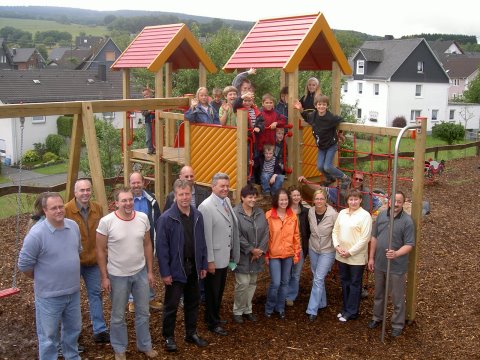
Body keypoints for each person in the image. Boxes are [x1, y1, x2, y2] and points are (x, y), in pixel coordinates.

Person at [18, 192, 82, 360]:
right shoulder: (36, 234)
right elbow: (24, 265)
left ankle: (72, 357)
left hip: (73, 292)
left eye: (61, 206)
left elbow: (77, 251)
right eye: (54, 208)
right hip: (49, 296)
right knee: (48, 338)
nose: (59, 210)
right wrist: (42, 277)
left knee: (73, 331)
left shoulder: (73, 226)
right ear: (45, 210)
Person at [96, 187, 158, 360]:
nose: (128, 203)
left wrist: (150, 271)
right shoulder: (106, 222)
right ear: (116, 203)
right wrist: (104, 277)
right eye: (123, 200)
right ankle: (119, 348)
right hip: (117, 275)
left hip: (140, 273)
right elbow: (100, 250)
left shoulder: (142, 218)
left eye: (130, 199)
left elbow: (147, 244)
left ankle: (144, 345)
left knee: (143, 312)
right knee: (117, 315)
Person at [156, 179, 209, 352]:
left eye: (187, 194)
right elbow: (162, 249)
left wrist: (203, 264)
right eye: (181, 194)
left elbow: (202, 242)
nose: (184, 197)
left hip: (193, 266)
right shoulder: (166, 218)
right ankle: (168, 337)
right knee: (171, 305)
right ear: (175, 195)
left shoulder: (197, 215)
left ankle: (191, 333)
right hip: (176, 268)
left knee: (193, 302)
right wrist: (165, 272)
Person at [64, 179, 109, 343]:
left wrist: (104, 254)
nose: (85, 193)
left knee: (95, 294)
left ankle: (100, 329)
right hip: (74, 262)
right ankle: (73, 334)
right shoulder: (66, 210)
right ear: (75, 192)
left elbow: (103, 233)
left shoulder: (97, 208)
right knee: (72, 299)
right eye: (81, 190)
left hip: (93, 260)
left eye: (88, 190)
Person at [367, 191, 415, 337]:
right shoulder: (382, 216)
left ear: (403, 203)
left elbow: (409, 244)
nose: (395, 204)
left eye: (399, 201)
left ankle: (397, 324)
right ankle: (377, 317)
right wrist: (371, 257)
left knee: (397, 296)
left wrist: (396, 253)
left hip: (396, 266)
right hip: (380, 262)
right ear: (389, 201)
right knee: (379, 294)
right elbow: (374, 238)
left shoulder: (407, 221)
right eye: (393, 200)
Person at [198, 172, 240, 336]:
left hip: (224, 254)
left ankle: (213, 316)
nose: (225, 189)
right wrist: (209, 261)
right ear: (213, 186)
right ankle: (212, 322)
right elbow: (206, 236)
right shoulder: (206, 206)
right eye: (222, 186)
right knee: (212, 291)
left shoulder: (227, 201)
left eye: (227, 186)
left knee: (219, 289)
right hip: (214, 258)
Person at [332, 189, 372, 322]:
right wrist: (337, 246)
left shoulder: (365, 216)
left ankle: (352, 311)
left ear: (360, 200)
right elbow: (335, 231)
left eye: (356, 199)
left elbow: (364, 238)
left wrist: (350, 252)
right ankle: (345, 308)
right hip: (341, 255)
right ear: (347, 200)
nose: (353, 202)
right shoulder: (342, 213)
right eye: (351, 199)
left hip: (356, 257)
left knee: (355, 284)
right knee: (345, 282)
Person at [232, 184, 269, 324]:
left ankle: (248, 310)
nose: (253, 199)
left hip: (257, 256)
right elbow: (237, 235)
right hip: (242, 255)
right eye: (250, 197)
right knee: (243, 283)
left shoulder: (259, 212)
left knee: (252, 283)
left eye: (254, 197)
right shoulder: (236, 213)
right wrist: (251, 249)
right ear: (242, 197)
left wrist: (259, 250)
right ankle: (237, 310)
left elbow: (266, 232)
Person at [294, 94, 349, 186]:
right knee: (320, 167)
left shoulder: (330, 117)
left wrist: (340, 133)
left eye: (324, 104)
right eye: (319, 104)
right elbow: (306, 116)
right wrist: (300, 109)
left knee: (327, 166)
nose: (321, 106)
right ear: (315, 106)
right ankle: (330, 178)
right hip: (321, 146)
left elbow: (341, 120)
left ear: (327, 106)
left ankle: (345, 178)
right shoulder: (313, 116)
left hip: (331, 145)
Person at [128, 172, 162, 313]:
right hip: (130, 242)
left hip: (148, 241)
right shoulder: (126, 200)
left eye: (138, 182)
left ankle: (150, 297)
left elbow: (158, 220)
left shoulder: (151, 200)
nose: (136, 185)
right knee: (131, 271)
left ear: (143, 182)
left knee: (148, 269)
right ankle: (132, 300)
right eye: (133, 183)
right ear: (130, 184)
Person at [264, 189, 301, 319]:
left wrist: (296, 253)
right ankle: (269, 307)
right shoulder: (269, 215)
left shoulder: (292, 216)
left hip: (288, 254)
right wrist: (266, 255)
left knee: (285, 282)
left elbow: (296, 236)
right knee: (276, 283)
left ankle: (280, 308)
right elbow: (266, 237)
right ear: (276, 201)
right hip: (274, 254)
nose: (284, 202)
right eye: (281, 200)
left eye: (286, 199)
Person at [305, 188, 338, 321]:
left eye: (321, 199)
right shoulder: (310, 212)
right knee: (316, 276)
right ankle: (322, 302)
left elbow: (337, 232)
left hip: (327, 249)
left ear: (326, 200)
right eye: (317, 199)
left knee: (318, 278)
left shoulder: (333, 214)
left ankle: (312, 309)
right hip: (313, 248)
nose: (319, 201)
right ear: (313, 200)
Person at [299, 171, 383, 212]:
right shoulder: (342, 189)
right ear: (351, 178)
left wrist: (369, 213)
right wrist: (306, 182)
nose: (358, 181)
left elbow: (379, 203)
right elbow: (321, 188)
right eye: (356, 178)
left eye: (360, 179)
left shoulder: (366, 192)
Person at [285, 185, 310, 308]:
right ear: (290, 196)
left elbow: (308, 231)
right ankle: (283, 294)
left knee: (296, 273)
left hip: (300, 247)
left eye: (298, 195)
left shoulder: (305, 212)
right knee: (286, 272)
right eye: (294, 195)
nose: (296, 197)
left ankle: (291, 296)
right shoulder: (284, 211)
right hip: (286, 247)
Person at [142, 87, 156, 155]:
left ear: (150, 94)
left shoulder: (154, 99)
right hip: (148, 121)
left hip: (155, 120)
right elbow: (143, 113)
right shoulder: (143, 103)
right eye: (144, 95)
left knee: (156, 134)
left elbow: (157, 95)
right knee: (149, 135)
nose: (146, 96)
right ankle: (150, 148)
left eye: (147, 94)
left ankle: (155, 148)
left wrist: (152, 90)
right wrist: (149, 111)